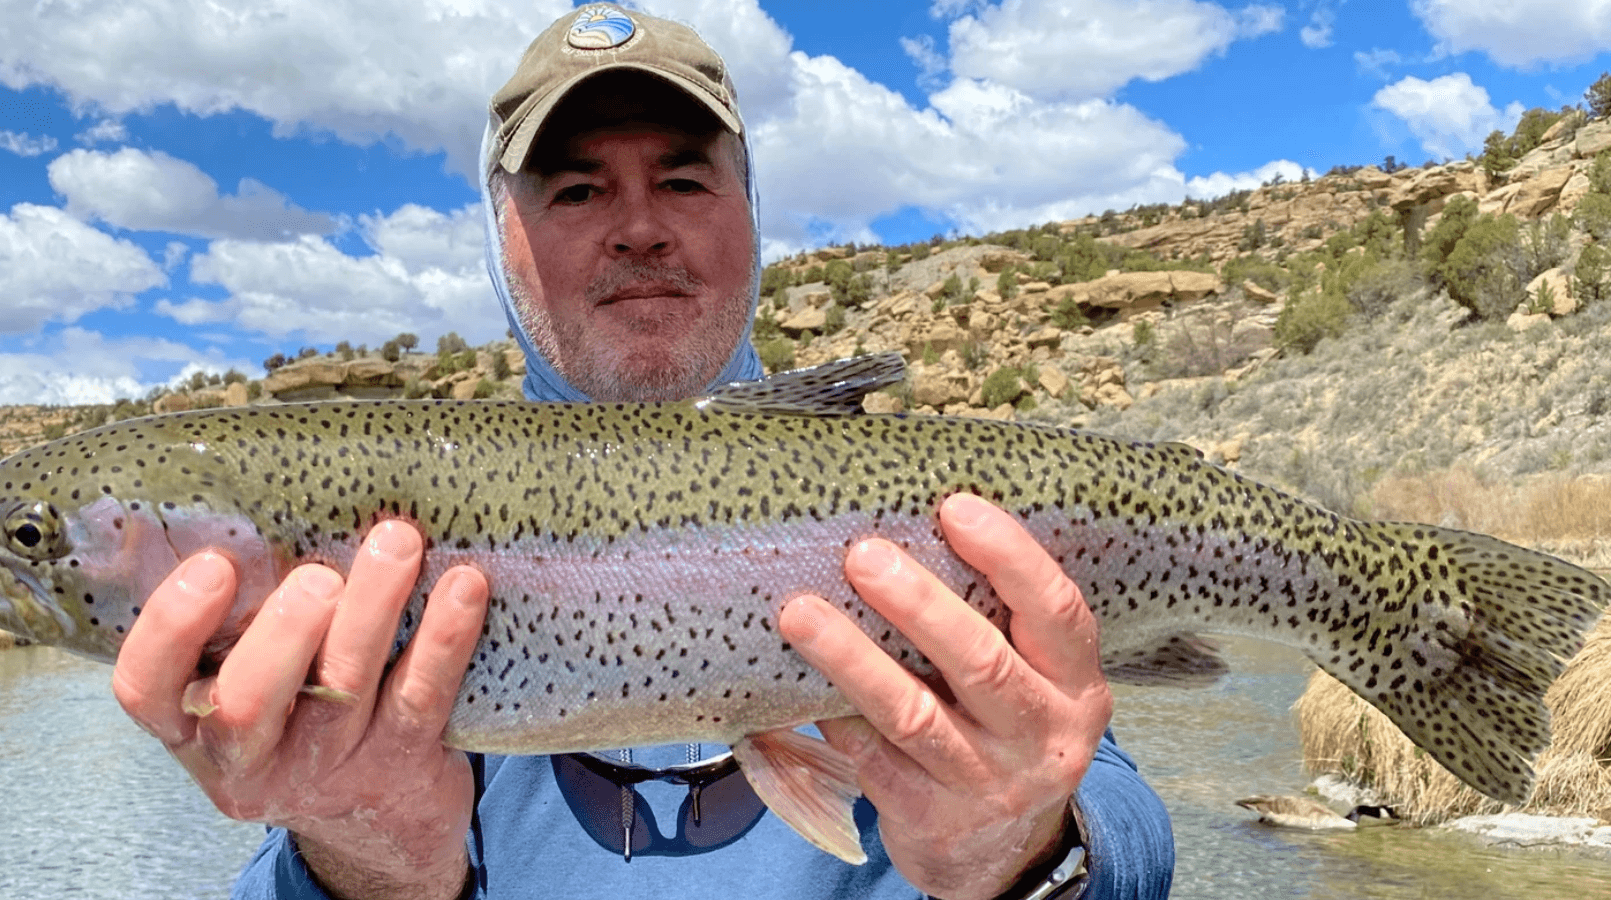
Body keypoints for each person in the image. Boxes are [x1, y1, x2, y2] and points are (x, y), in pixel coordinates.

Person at [111, 5, 1177, 899]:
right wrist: (365, 862)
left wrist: (1027, 856)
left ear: (749, 213)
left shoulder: (928, 494)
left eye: (681, 182)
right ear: (502, 237)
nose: (637, 227)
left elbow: (1123, 822)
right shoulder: (395, 515)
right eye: (576, 190)